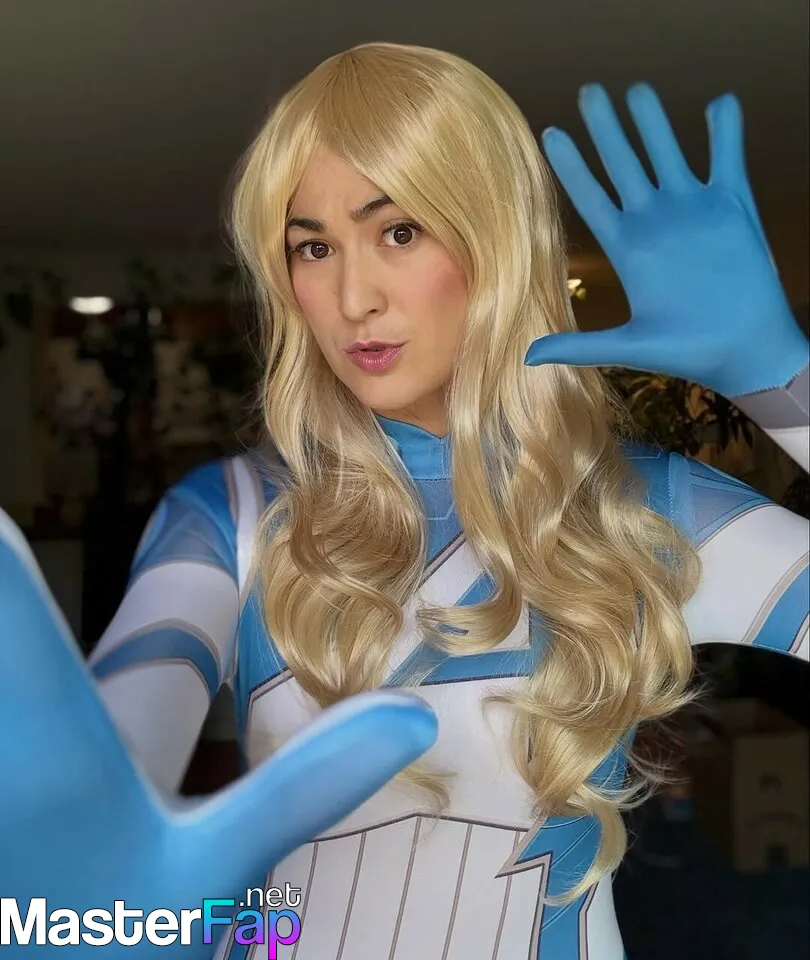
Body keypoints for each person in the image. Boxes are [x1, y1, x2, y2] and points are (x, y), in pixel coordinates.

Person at [1, 42, 807, 959]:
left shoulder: (646, 508)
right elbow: (117, 756)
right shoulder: (228, 516)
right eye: (313, 247)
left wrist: (784, 380)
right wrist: (79, 867)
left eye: (399, 231)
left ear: (493, 241)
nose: (352, 298)